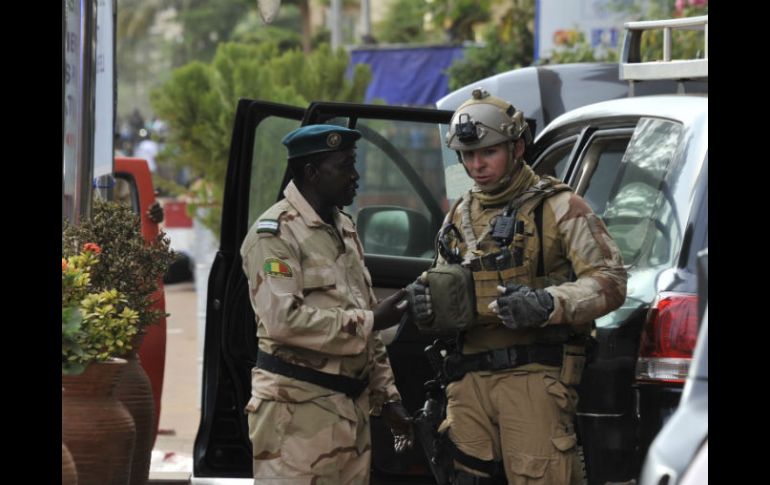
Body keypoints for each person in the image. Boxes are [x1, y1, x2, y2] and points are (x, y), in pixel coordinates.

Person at [407, 88, 628, 484]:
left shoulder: (559, 206)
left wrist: (548, 303)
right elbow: (445, 283)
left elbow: (610, 282)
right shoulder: (458, 214)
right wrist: (426, 302)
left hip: (532, 376)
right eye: (468, 156)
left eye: (488, 152)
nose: (476, 165)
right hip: (465, 381)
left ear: (518, 146)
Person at [241, 124, 414, 484]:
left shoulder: (345, 228)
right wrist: (370, 320)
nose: (356, 175)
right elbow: (282, 321)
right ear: (312, 172)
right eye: (345, 165)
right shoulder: (274, 234)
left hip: (349, 412)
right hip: (296, 416)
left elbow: (367, 323)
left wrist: (388, 398)